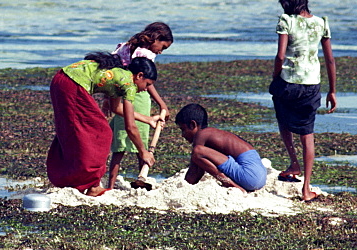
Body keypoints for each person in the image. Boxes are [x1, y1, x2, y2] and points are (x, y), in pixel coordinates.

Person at [47, 53, 157, 197]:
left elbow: (116, 108)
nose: (146, 89)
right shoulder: (129, 84)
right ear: (139, 76)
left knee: (72, 131)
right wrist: (143, 152)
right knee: (102, 132)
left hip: (60, 79)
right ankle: (92, 185)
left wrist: (148, 119)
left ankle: (70, 177)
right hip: (73, 84)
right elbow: (130, 127)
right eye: (147, 84)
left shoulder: (121, 75)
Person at [269, 0, 337, 202]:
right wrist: (332, 91)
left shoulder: (286, 20)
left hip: (289, 82)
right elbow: (330, 60)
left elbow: (280, 56)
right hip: (312, 84)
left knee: (283, 119)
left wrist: (275, 76)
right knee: (308, 135)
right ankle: (306, 188)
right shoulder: (321, 23)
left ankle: (293, 162)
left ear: (286, 2)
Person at [107, 22, 174, 189]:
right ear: (156, 38)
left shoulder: (127, 46)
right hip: (138, 96)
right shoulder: (144, 54)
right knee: (140, 141)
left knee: (119, 145)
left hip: (121, 94)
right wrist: (161, 103)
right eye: (162, 47)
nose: (160, 51)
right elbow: (146, 82)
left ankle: (110, 183)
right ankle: (141, 177)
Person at [175, 103, 267, 193]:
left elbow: (194, 172)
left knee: (197, 151)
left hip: (249, 175)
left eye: (183, 129)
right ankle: (237, 185)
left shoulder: (201, 135)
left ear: (192, 125)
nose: (182, 135)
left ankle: (232, 185)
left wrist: (181, 187)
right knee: (198, 153)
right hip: (260, 177)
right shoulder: (213, 134)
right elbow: (199, 169)